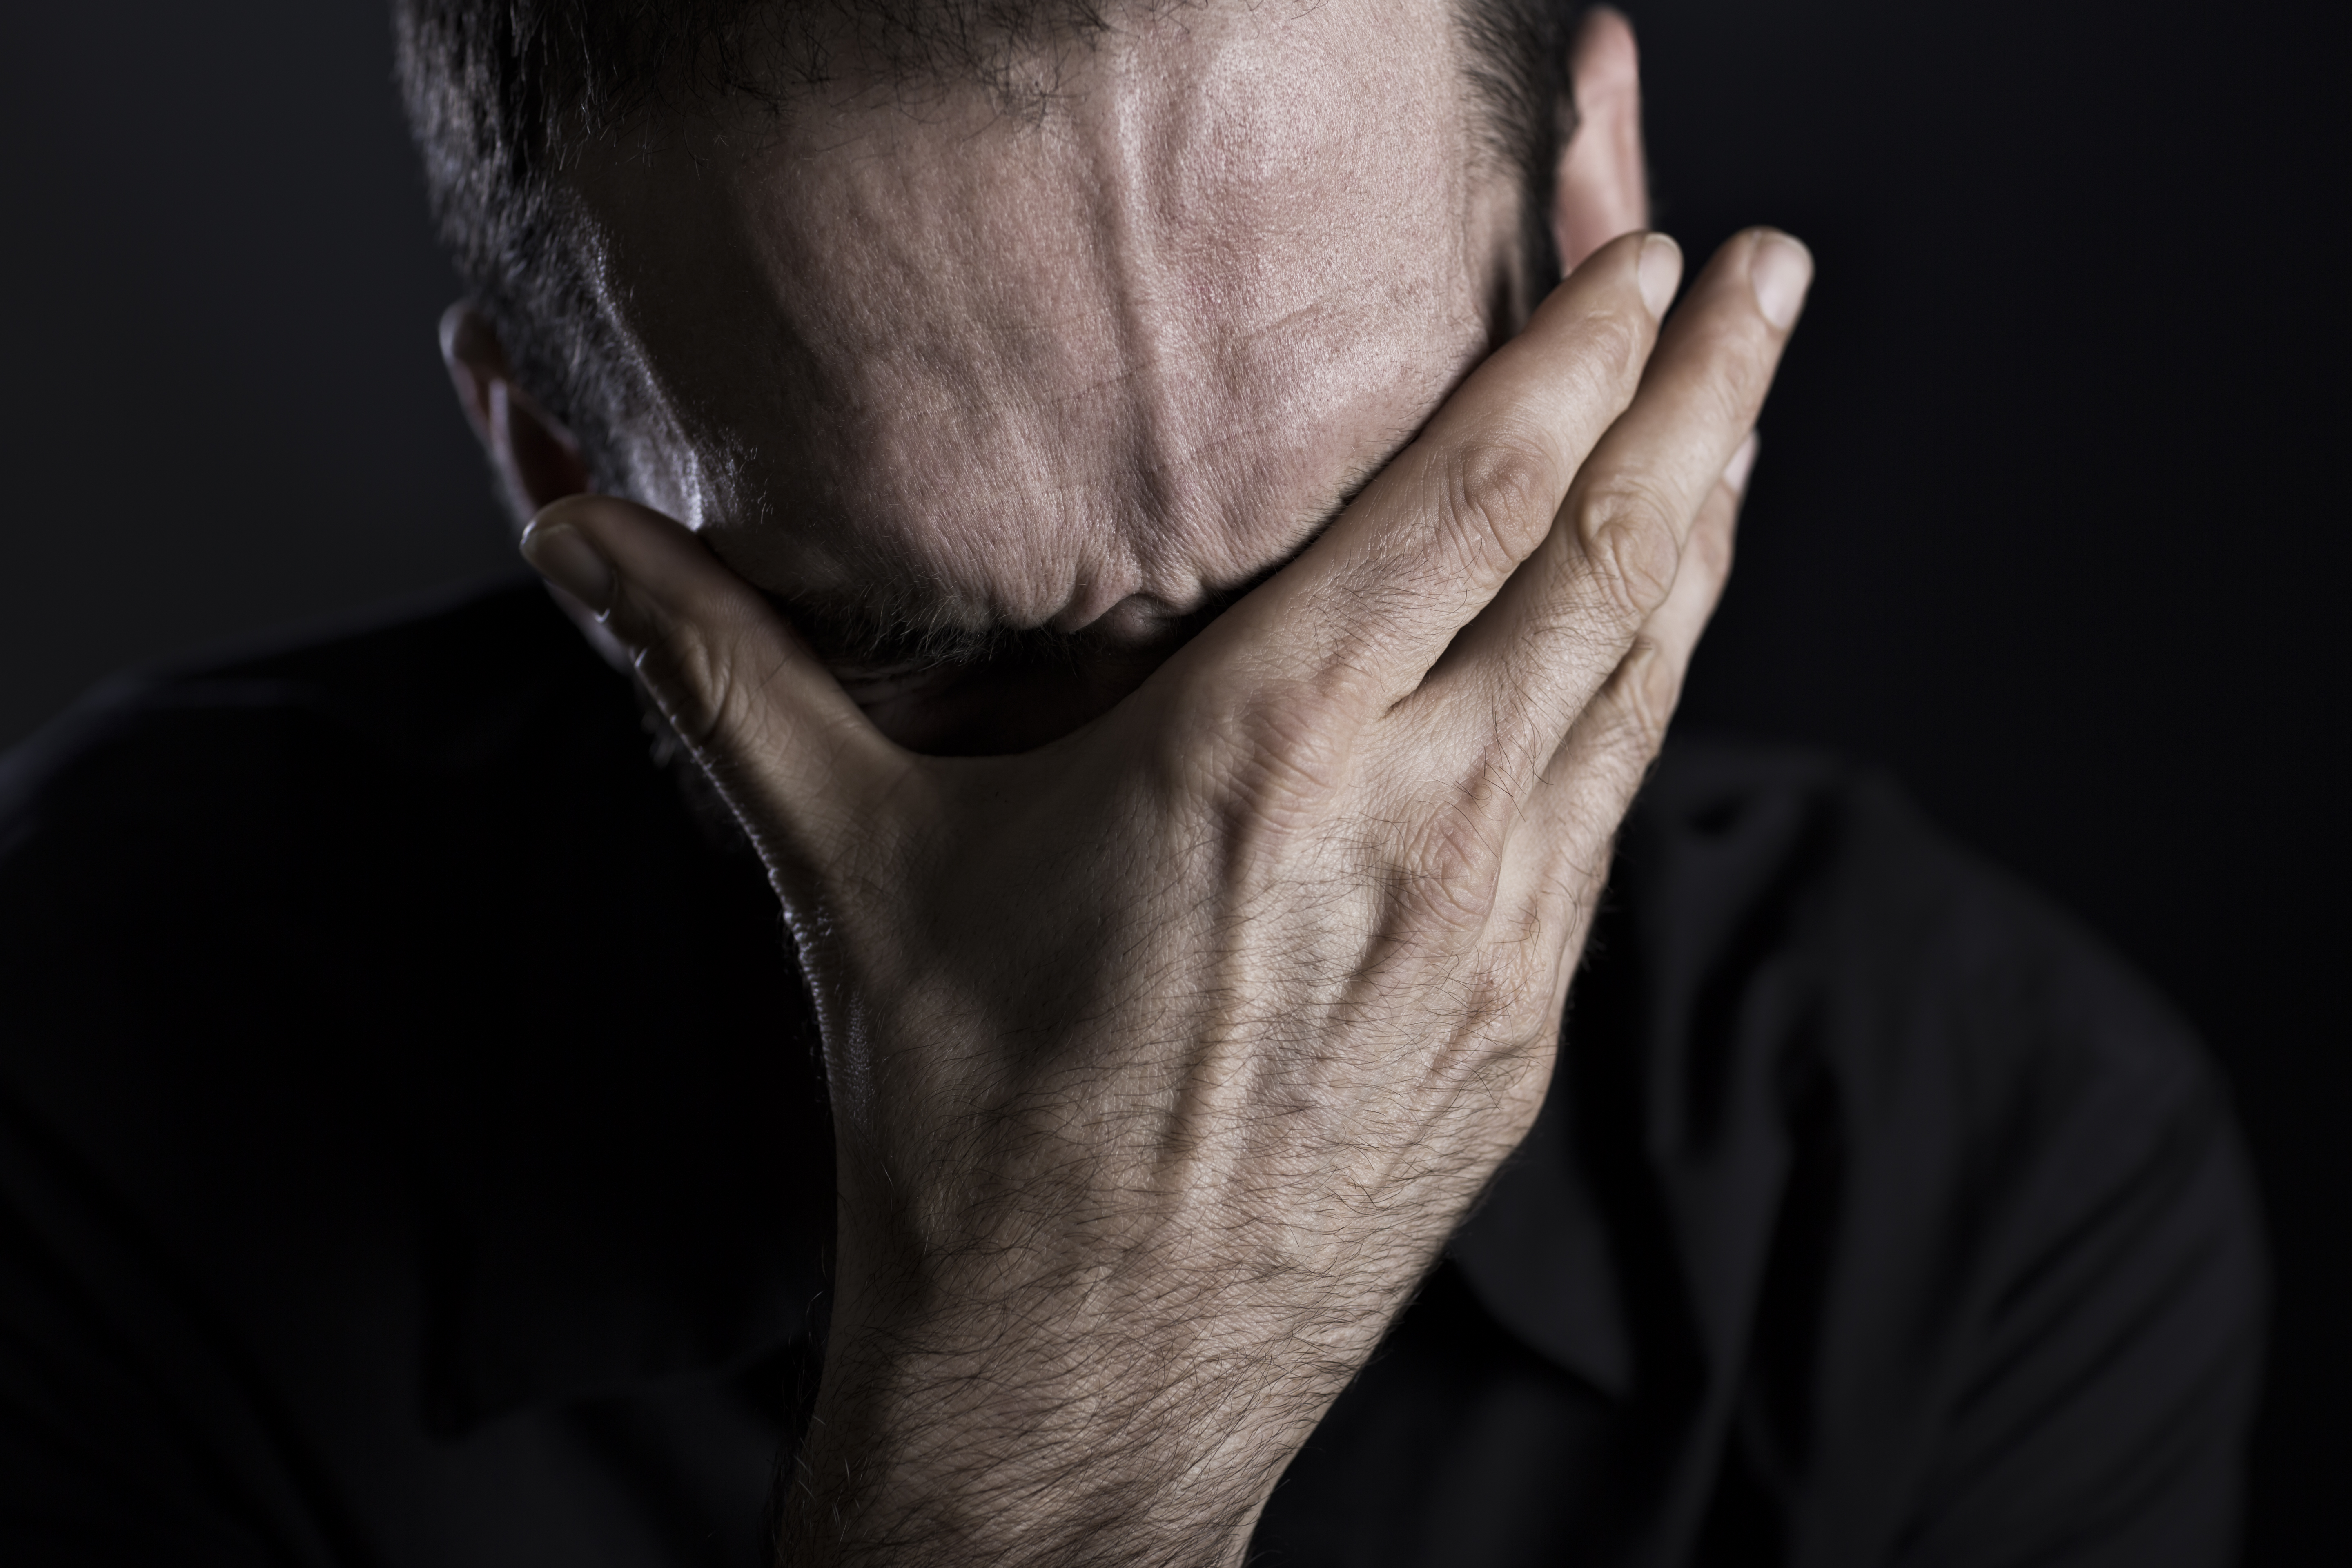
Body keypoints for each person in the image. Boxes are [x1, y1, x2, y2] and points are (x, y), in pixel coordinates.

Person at [0, 2, 2264, 1564]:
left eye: (1370, 553)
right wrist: (1034, 1488)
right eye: (949, 654)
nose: (1228, 819)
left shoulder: (1974, 1171)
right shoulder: (93, 1076)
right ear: (569, 471)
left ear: (1593, 217)